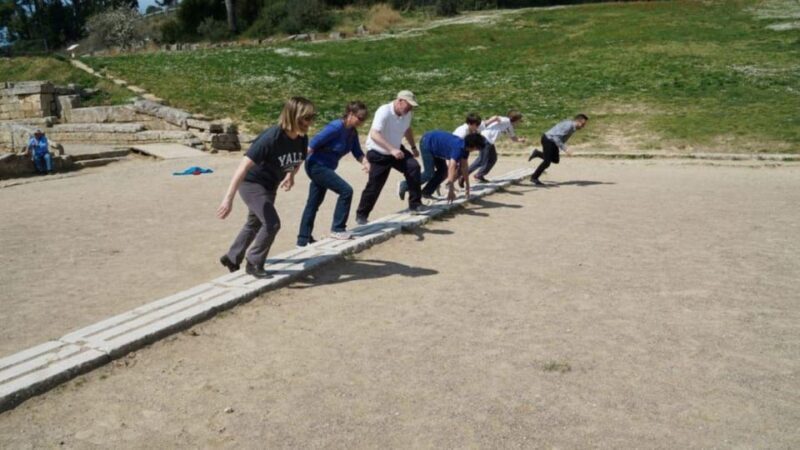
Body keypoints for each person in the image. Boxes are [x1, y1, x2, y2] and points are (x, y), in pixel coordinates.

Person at [217, 97, 315, 279]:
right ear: (293, 116)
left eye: (312, 117)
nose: (310, 122)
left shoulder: (301, 139)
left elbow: (300, 158)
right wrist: (228, 199)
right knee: (272, 223)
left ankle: (232, 257)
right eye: (306, 118)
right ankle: (254, 262)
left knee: (255, 222)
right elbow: (243, 167)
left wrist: (290, 175)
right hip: (251, 183)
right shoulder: (272, 137)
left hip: (270, 185)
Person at [296, 101, 371, 248]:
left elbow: (357, 152)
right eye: (359, 118)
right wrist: (293, 169)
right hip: (316, 166)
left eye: (364, 119)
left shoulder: (352, 132)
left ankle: (303, 240)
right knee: (346, 190)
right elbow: (311, 145)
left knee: (313, 203)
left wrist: (366, 162)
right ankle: (338, 229)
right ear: (350, 114)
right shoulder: (336, 127)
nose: (361, 122)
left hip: (326, 168)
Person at [355, 90, 427, 225]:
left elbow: (407, 129)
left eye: (412, 106)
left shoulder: (407, 113)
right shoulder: (384, 111)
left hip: (395, 149)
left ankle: (415, 204)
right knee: (375, 185)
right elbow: (375, 134)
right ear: (399, 101)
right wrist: (392, 149)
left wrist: (413, 147)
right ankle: (361, 214)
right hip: (378, 152)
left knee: (413, 167)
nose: (410, 108)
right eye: (408, 105)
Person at [419, 131, 486, 203]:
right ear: (473, 146)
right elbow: (451, 167)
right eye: (478, 148)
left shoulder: (465, 149)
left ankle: (426, 192)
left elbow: (464, 167)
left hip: (436, 146)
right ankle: (409, 184)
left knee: (443, 171)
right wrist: (451, 190)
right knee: (429, 173)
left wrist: (467, 186)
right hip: (427, 142)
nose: (477, 150)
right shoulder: (458, 148)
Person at [528, 114, 589, 185]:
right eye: (583, 124)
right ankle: (534, 178)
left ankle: (537, 153)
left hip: (553, 141)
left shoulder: (572, 127)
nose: (583, 126)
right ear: (578, 121)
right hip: (548, 139)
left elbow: (560, 137)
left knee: (555, 160)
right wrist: (565, 149)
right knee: (547, 162)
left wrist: (561, 147)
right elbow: (556, 138)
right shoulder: (568, 126)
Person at [469, 110, 526, 182]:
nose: (519, 123)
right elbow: (496, 117)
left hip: (490, 141)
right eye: (519, 121)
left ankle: (479, 175)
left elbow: (513, 138)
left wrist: (520, 140)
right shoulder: (506, 120)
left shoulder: (509, 126)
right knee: (481, 160)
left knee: (493, 159)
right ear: (516, 119)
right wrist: (492, 120)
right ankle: (465, 173)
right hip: (485, 138)